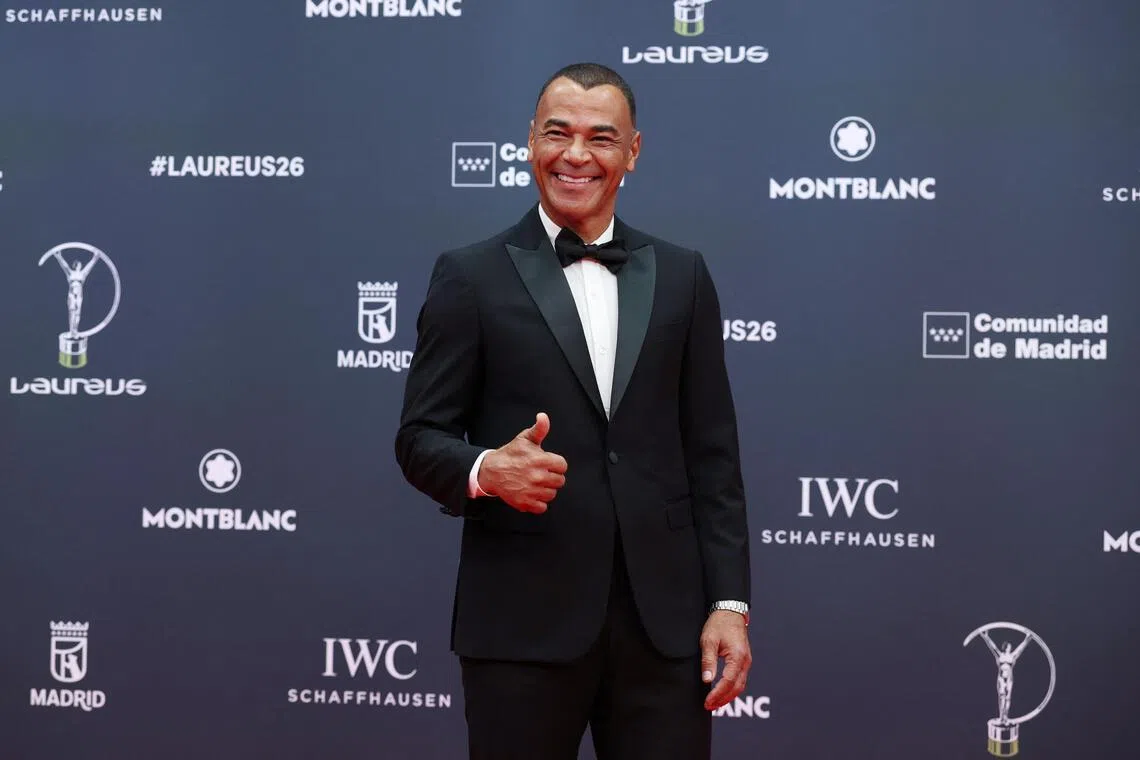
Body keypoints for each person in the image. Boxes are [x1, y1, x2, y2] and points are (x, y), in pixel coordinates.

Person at [395, 62, 752, 760]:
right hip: (521, 628)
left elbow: (714, 455)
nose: (577, 155)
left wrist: (730, 605)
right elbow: (419, 437)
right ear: (530, 142)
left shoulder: (683, 275)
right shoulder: (470, 276)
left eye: (601, 137)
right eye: (557, 133)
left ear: (633, 152)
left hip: (665, 632)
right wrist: (485, 468)